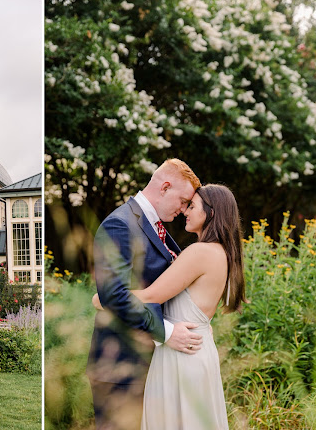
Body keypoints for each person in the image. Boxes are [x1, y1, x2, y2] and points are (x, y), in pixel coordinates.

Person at [93, 184, 246, 429]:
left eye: (192, 205)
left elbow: (150, 295)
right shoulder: (222, 253)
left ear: (211, 213)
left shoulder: (199, 253)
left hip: (181, 356)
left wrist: (103, 299)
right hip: (197, 348)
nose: (185, 210)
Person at [87, 158, 203, 430]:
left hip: (144, 365)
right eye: (184, 200)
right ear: (164, 187)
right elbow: (113, 296)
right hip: (119, 367)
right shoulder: (120, 224)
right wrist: (167, 332)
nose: (184, 209)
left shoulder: (156, 227)